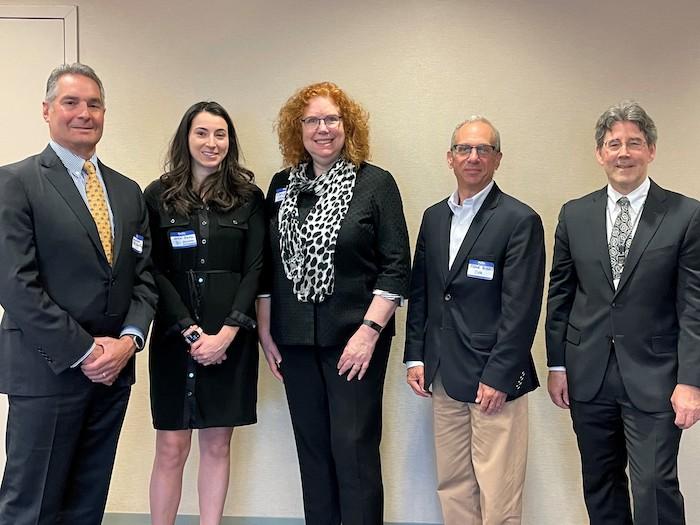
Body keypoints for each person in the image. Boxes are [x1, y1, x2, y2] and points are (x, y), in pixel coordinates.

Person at [0, 63, 156, 525]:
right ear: (47, 110)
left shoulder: (128, 192)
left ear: (104, 114)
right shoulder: (16, 182)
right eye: (71, 102)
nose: (83, 113)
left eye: (94, 104)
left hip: (113, 373)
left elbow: (143, 278)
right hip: (48, 370)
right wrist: (85, 350)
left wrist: (128, 342)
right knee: (32, 506)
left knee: (87, 503)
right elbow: (15, 283)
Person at [257, 81, 410, 525]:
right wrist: (266, 330)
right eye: (312, 120)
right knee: (313, 451)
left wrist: (370, 332)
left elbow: (396, 266)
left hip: (356, 339)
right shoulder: (282, 185)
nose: (322, 129)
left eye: (332, 119)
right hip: (295, 340)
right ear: (297, 129)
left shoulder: (375, 183)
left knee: (354, 448)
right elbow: (270, 265)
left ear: (347, 126)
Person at [546, 101, 700, 525]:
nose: (623, 152)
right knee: (600, 482)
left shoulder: (686, 214)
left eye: (634, 142)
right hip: (587, 373)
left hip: (656, 375)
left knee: (653, 484)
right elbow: (560, 295)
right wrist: (557, 364)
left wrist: (691, 381)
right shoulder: (573, 214)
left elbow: (694, 306)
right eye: (613, 143)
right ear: (600, 153)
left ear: (651, 150)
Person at [404, 116, 545, 525]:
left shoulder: (519, 220)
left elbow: (522, 308)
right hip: (444, 373)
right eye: (464, 149)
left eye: (484, 149)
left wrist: (500, 376)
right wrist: (416, 357)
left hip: (492, 379)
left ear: (498, 159)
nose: (473, 156)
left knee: (498, 490)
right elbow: (423, 293)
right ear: (449, 158)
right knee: (452, 483)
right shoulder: (434, 218)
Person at [144, 101, 264, 525]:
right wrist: (189, 332)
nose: (211, 143)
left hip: (230, 339)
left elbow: (255, 269)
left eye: (220, 134)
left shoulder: (249, 197)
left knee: (217, 445)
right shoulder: (157, 195)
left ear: (230, 142)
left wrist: (228, 331)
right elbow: (152, 270)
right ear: (186, 138)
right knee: (171, 447)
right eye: (202, 133)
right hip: (175, 339)